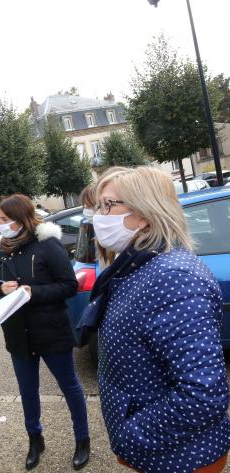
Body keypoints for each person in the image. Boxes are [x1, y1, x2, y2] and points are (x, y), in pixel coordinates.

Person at [86, 166, 230, 473]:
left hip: (183, 458)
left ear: (145, 214)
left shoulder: (173, 278)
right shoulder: (138, 266)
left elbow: (203, 392)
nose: (100, 215)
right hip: (158, 452)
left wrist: (131, 437)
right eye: (99, 206)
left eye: (109, 205)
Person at [0, 194, 89, 471]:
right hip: (18, 333)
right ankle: (35, 439)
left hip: (51, 330)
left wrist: (35, 292)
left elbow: (68, 285)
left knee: (69, 386)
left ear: (22, 220)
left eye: (5, 219)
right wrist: (0, 290)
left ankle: (82, 439)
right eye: (0, 219)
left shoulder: (48, 246)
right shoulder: (2, 250)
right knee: (27, 390)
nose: (1, 224)